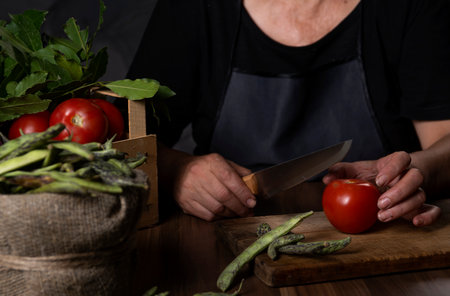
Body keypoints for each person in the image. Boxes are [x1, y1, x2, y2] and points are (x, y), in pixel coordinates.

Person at [127, 0, 450, 225]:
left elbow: (445, 142)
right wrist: (176, 171)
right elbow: (121, 143)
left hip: (378, 230)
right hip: (224, 233)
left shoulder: (409, 5)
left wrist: (417, 171)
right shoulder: (194, 7)